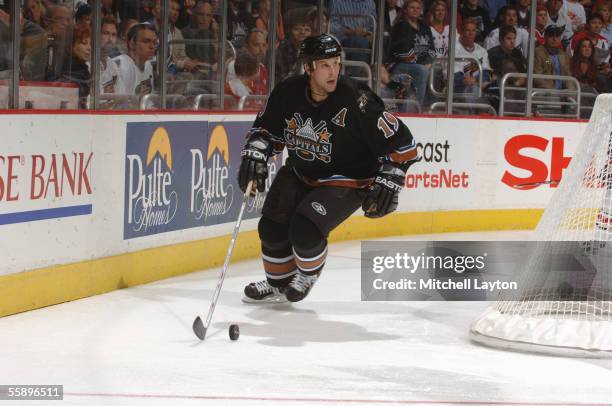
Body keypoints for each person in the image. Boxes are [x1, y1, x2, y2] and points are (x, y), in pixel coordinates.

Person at [238, 34, 418, 303]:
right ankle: (277, 284)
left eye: (336, 63)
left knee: (305, 230)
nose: (333, 71)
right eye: (325, 65)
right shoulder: (287, 92)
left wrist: (391, 177)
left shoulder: (358, 100)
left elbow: (404, 143)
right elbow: (266, 130)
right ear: (308, 67)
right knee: (271, 228)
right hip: (300, 171)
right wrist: (256, 151)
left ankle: (307, 275)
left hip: (346, 179)